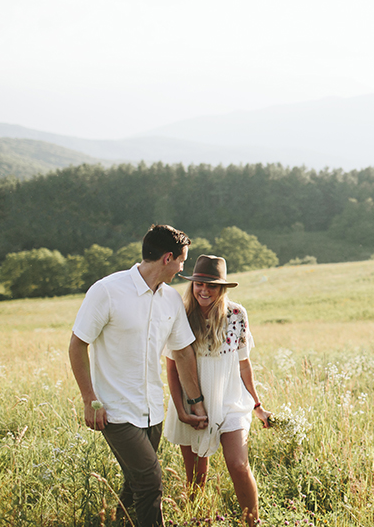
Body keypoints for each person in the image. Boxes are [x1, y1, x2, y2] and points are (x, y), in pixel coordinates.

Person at [69, 224, 208, 527]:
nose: (183, 268)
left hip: (151, 411)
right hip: (114, 411)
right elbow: (78, 344)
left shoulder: (170, 299)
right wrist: (89, 400)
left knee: (134, 483)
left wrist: (195, 401)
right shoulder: (107, 291)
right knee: (150, 479)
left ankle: (122, 522)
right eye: (182, 261)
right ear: (167, 258)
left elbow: (182, 352)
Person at [164, 254, 271, 527]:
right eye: (199, 284)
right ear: (192, 284)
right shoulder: (181, 317)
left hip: (231, 403)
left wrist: (257, 406)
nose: (204, 290)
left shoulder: (237, 315)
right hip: (192, 405)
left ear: (222, 288)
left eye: (211, 285)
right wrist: (180, 410)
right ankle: (196, 521)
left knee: (238, 464)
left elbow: (244, 366)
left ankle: (253, 523)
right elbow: (172, 370)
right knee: (196, 476)